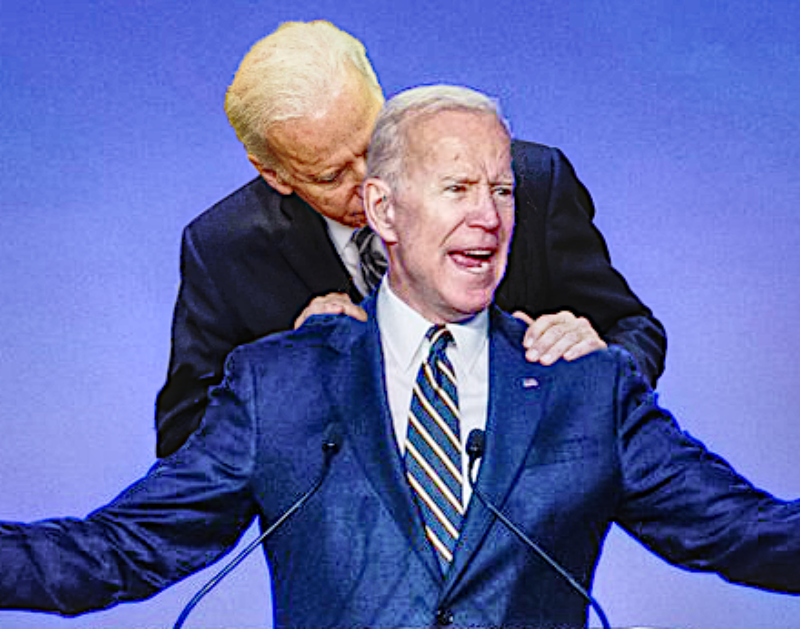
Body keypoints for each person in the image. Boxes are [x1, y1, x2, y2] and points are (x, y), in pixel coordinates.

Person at [1, 86, 797, 629]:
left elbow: (750, 531)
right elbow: (118, 550)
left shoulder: (585, 386)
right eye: (458, 188)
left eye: (503, 190)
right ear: (382, 209)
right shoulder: (278, 384)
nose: (489, 217)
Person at [154, 20, 666, 457]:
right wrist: (290, 371)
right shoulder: (225, 247)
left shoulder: (524, 181)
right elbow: (185, 440)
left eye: (372, 145)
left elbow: (633, 331)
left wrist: (599, 365)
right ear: (274, 174)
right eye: (331, 176)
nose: (370, 184)